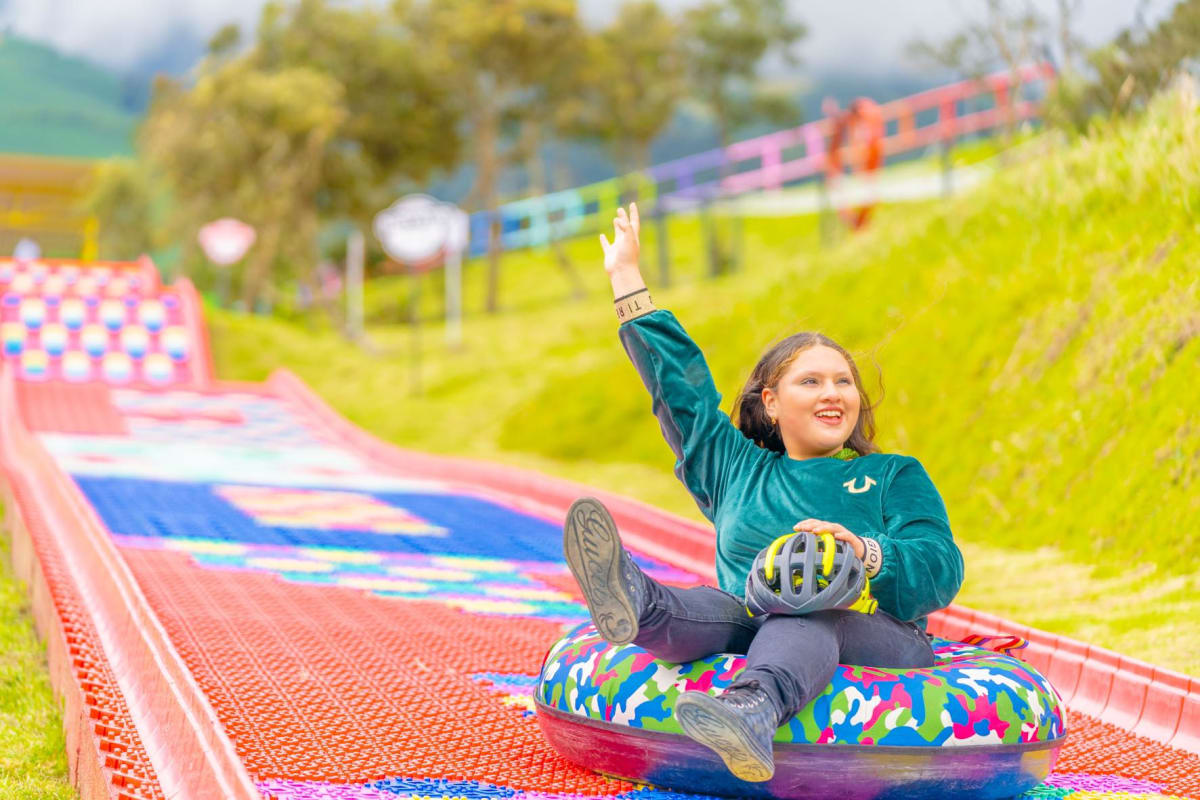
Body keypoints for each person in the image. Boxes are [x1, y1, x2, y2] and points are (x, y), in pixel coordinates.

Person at [562, 203, 964, 783]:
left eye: (843, 381)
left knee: (807, 608)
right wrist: (627, 278)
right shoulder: (735, 469)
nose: (834, 394)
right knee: (729, 607)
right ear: (771, 403)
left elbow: (940, 566)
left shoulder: (892, 475)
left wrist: (865, 553)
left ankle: (752, 709)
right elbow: (684, 395)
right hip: (751, 620)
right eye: (811, 381)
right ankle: (636, 603)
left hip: (873, 635)